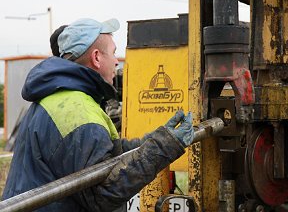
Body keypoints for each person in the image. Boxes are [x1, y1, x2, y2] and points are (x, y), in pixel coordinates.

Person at [2, 18, 194, 212]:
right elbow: (104, 192)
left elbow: (110, 155)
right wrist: (164, 146)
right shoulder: (76, 111)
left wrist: (160, 138)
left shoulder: (58, 99)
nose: (117, 61)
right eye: (112, 52)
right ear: (96, 58)